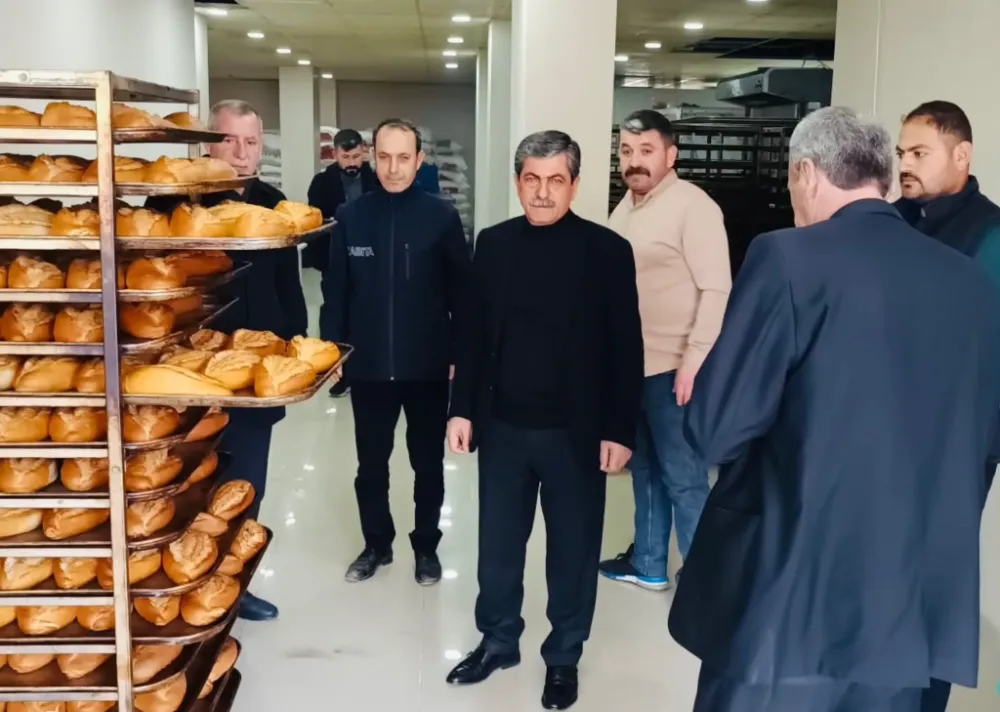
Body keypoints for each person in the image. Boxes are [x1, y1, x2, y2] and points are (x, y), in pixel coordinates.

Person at [669, 106, 1000, 712]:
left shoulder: (787, 258)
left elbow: (716, 429)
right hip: (910, 609)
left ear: (806, 173)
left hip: (791, 598)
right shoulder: (966, 279)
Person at [444, 131, 644, 711]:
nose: (542, 192)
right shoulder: (494, 244)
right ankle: (498, 640)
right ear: (518, 182)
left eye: (556, 180)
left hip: (575, 435)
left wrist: (620, 429)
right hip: (503, 428)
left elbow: (625, 348)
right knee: (498, 549)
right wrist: (461, 410)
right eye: (532, 178)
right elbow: (472, 335)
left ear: (575, 185)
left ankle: (563, 655)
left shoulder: (607, 251)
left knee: (572, 553)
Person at [147, 99, 308, 623]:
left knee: (246, 485)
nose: (241, 153)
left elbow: (289, 289)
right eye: (230, 141)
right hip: (190, 373)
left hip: (256, 377)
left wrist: (296, 349)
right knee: (190, 484)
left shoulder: (273, 204)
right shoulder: (175, 203)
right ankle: (181, 588)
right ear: (207, 145)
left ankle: (234, 585)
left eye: (252, 142)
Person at [320, 118, 470, 586]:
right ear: (372, 156)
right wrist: (332, 349)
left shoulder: (441, 217)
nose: (393, 168)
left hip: (426, 366)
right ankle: (376, 545)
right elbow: (335, 290)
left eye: (404, 157)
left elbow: (462, 294)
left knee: (427, 465)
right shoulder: (351, 217)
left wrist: (458, 353)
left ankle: (426, 547)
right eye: (384, 157)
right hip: (368, 367)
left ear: (419, 160)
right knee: (371, 466)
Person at [893, 100, 1000, 712]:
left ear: (962, 155)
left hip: (956, 445)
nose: (904, 164)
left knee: (935, 583)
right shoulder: (893, 221)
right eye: (901, 153)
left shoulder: (990, 236)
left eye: (919, 152)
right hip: (887, 435)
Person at [599, 109, 730, 591]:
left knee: (684, 478)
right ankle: (649, 562)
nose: (634, 161)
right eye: (626, 151)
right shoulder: (626, 208)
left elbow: (717, 289)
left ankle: (703, 586)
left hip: (676, 370)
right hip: (633, 367)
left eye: (646, 150)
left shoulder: (693, 206)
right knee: (646, 470)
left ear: (671, 155)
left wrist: (694, 362)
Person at [304, 128, 379, 398]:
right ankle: (342, 374)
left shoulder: (376, 179)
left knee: (370, 316)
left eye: (356, 156)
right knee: (337, 315)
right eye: (346, 157)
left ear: (364, 153)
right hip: (334, 260)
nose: (352, 162)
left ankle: (370, 370)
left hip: (373, 262)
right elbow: (316, 222)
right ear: (335, 154)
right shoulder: (321, 183)